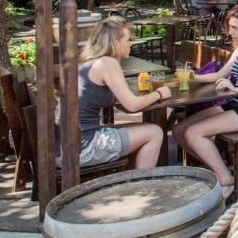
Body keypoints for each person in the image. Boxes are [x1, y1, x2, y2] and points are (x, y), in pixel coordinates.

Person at [174, 3, 238, 199]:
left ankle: (226, 180)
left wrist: (236, 90)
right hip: (236, 104)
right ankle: (214, 168)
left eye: (235, 28)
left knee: (194, 133)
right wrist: (193, 77)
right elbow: (219, 74)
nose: (230, 32)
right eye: (230, 27)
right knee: (179, 131)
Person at [58, 18, 166, 170]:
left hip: (63, 147)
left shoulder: (87, 62)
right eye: (128, 40)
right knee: (155, 132)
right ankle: (142, 185)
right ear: (116, 42)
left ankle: (134, 177)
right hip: (83, 148)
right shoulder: (107, 63)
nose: (131, 44)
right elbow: (132, 105)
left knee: (140, 129)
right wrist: (160, 94)